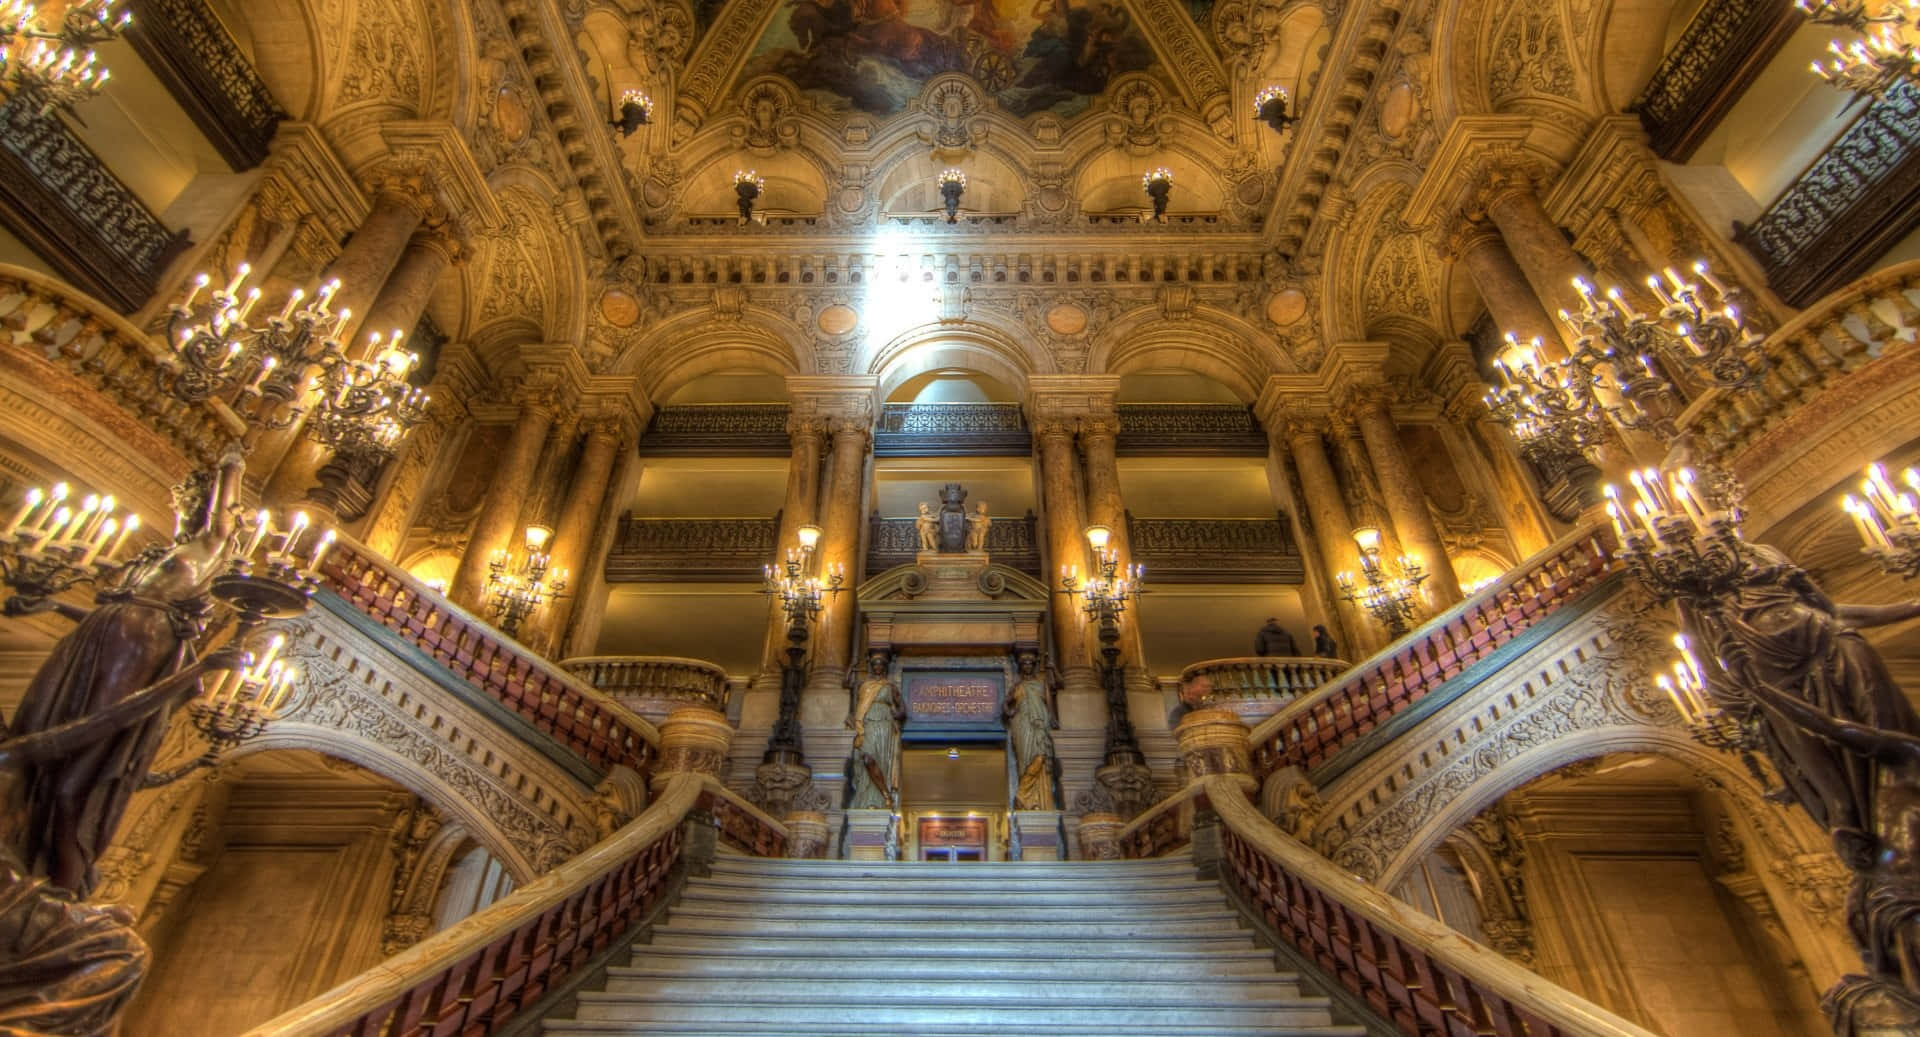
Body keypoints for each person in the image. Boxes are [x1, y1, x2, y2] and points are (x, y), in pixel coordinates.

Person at [9, 453, 244, 896]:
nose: (187, 508)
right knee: (41, 749)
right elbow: (124, 605)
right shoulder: (163, 555)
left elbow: (221, 521)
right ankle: (34, 872)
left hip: (139, 645)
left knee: (82, 764)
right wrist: (53, 605)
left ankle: (62, 891)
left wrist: (232, 467)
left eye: (197, 501)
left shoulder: (208, 549)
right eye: (184, 502)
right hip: (98, 638)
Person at [846, 653, 904, 809]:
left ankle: (880, 799)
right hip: (867, 724)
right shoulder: (865, 685)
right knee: (866, 758)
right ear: (872, 667)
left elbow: (902, 708)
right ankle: (886, 794)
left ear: (884, 667)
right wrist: (850, 669)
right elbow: (847, 685)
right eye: (875, 664)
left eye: (880, 664)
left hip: (884, 725)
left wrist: (898, 714)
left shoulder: (889, 686)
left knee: (881, 761)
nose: (878, 667)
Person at [1003, 654, 1055, 810]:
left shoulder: (1041, 684)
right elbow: (1006, 704)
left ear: (1033, 666)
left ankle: (1024, 795)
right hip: (1023, 724)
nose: (1027, 666)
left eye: (1030, 663)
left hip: (1040, 724)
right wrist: (1009, 712)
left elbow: (1051, 700)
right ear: (1020, 667)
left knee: (1039, 757)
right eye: (1024, 664)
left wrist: (1053, 719)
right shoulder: (1018, 686)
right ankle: (1025, 797)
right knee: (1025, 760)